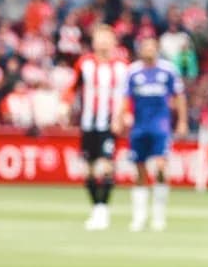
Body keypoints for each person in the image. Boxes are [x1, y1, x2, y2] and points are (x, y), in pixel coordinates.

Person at [118, 36, 188, 232]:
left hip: (161, 127)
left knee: (160, 168)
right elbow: (125, 98)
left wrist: (181, 121)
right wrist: (121, 117)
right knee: (139, 171)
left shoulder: (168, 70)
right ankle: (139, 217)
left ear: (157, 49)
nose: (148, 50)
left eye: (151, 46)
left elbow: (179, 96)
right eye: (145, 46)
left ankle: (158, 216)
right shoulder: (133, 71)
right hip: (139, 127)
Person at [75, 25, 128, 231]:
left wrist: (124, 115)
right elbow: (73, 87)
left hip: (109, 123)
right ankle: (96, 207)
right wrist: (65, 104)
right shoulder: (85, 63)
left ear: (114, 42)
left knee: (106, 166)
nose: (103, 42)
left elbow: (127, 95)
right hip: (88, 124)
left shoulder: (122, 67)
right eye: (99, 38)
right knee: (88, 171)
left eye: (107, 38)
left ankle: (103, 210)